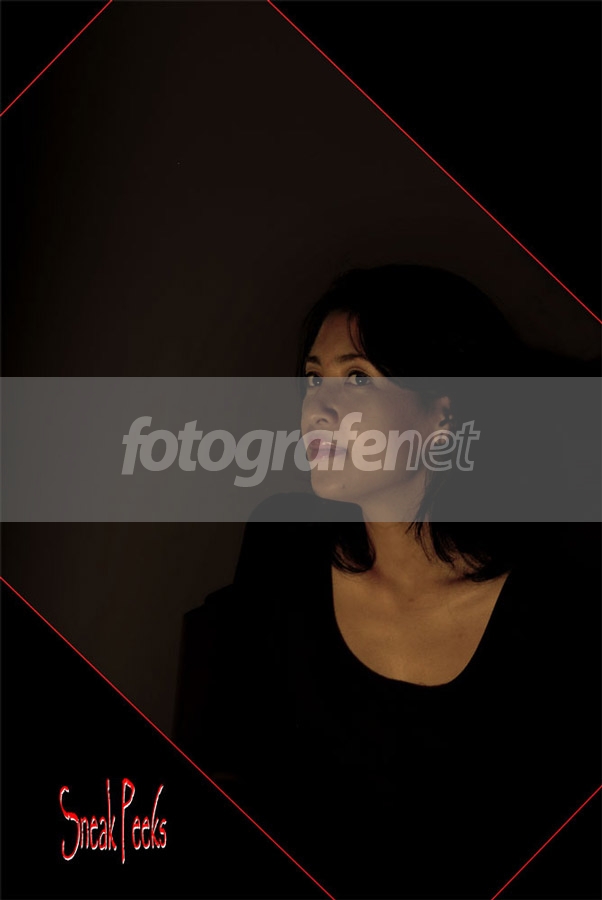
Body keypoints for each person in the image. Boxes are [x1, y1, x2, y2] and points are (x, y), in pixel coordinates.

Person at [174, 266, 601, 899]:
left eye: (356, 378)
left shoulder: (559, 611)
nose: (317, 410)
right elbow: (227, 761)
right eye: (313, 378)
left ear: (442, 415)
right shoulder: (284, 543)